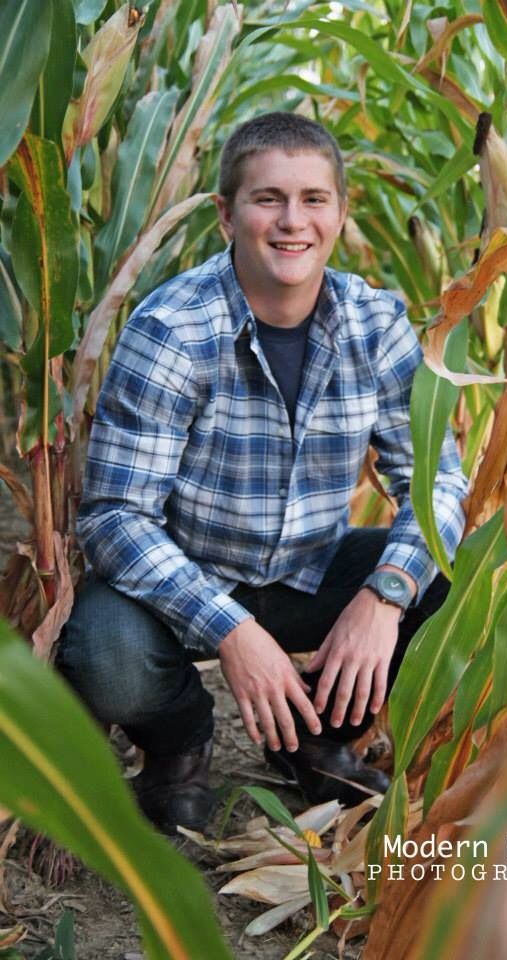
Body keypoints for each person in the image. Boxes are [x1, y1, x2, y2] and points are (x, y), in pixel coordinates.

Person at [56, 112, 467, 835]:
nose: (291, 221)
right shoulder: (172, 329)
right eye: (267, 198)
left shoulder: (376, 325)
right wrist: (232, 631)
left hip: (312, 572)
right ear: (227, 214)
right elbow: (115, 517)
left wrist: (385, 596)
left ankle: (312, 733)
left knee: (464, 578)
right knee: (106, 654)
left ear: (340, 212)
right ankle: (181, 741)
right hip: (184, 584)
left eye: (313, 199)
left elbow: (435, 483)